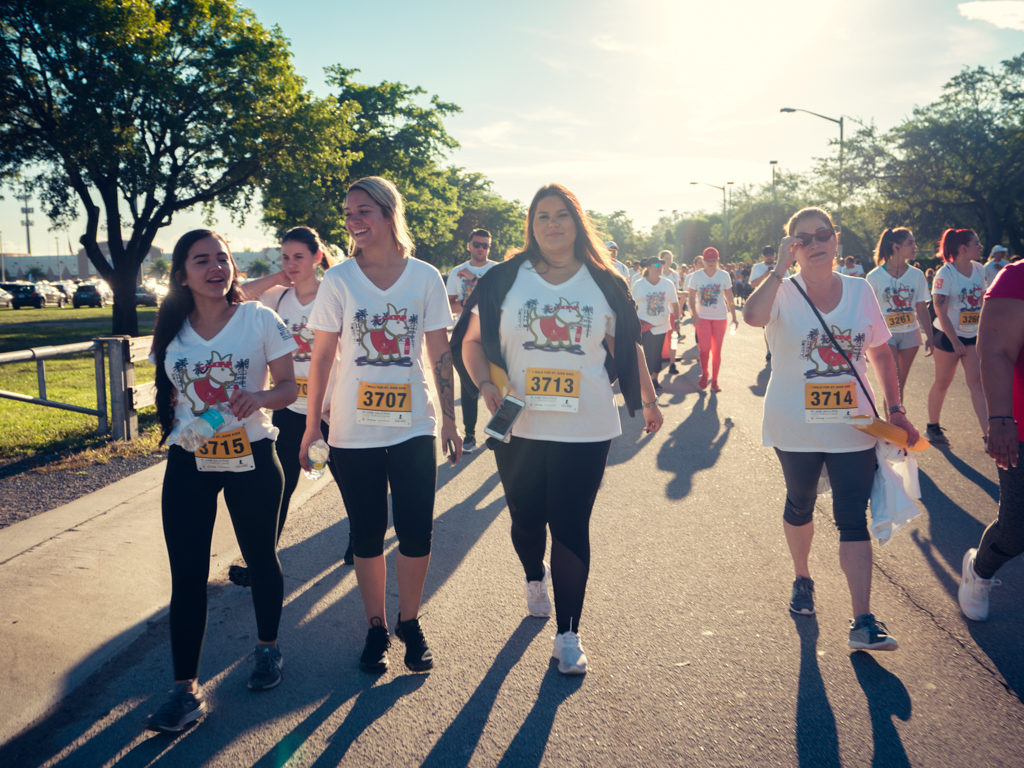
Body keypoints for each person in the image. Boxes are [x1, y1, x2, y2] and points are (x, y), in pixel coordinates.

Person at [454, 183, 662, 675]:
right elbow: (473, 340)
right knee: (527, 520)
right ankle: (533, 575)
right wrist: (484, 383)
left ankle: (568, 633)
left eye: (561, 215)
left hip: (586, 425)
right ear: (531, 223)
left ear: (577, 221)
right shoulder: (504, 279)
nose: (552, 224)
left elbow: (627, 346)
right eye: (542, 215)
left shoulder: (605, 282)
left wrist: (649, 400)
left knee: (571, 525)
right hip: (518, 425)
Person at [299, 176, 460, 674]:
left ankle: (408, 623)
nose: (353, 221)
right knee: (366, 534)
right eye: (348, 213)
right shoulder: (339, 279)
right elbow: (322, 356)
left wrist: (451, 420)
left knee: (416, 532)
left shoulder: (426, 277)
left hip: (414, 424)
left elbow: (440, 354)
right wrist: (311, 427)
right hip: (352, 429)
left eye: (363, 211)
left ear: (390, 213)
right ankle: (375, 626)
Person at [743, 206, 920, 652]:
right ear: (792, 247)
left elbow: (879, 352)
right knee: (800, 504)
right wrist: (779, 268)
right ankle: (802, 577)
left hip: (854, 424)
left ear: (835, 240)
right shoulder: (780, 290)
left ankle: (863, 620)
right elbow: (752, 317)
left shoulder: (861, 291)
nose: (816, 243)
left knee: (851, 516)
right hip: (794, 426)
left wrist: (894, 406)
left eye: (823, 234)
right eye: (803, 239)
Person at [146, 229, 298, 732]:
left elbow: (288, 387)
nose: (216, 268)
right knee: (186, 574)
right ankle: (184, 690)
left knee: (260, 557)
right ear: (182, 274)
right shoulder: (173, 328)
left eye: (223, 258)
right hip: (190, 459)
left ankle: (268, 649)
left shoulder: (259, 318)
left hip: (251, 454)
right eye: (201, 261)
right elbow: (171, 394)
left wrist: (258, 398)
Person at [227, 227, 353, 587]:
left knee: (347, 478)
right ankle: (260, 561)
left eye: (299, 256)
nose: (291, 263)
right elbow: (235, 297)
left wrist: (334, 399)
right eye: (285, 257)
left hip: (332, 406)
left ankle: (359, 538)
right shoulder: (278, 299)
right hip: (291, 405)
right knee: (279, 485)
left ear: (317, 256)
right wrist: (276, 278)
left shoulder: (334, 293)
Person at [959, 260, 1024, 621]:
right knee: (1017, 530)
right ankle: (979, 570)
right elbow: (996, 351)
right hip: (1021, 426)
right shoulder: (1016, 278)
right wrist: (999, 418)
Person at [926, 228, 988, 446]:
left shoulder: (980, 269)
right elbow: (939, 309)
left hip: (972, 335)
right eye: (976, 243)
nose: (980, 247)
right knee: (943, 381)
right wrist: (954, 341)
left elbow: (983, 302)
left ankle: (988, 436)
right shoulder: (946, 274)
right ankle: (933, 426)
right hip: (946, 335)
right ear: (963, 248)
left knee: (977, 384)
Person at [865, 228, 933, 405]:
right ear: (896, 247)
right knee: (892, 383)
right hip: (885, 335)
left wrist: (930, 337)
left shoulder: (917, 275)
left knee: (900, 384)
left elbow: (921, 307)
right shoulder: (874, 276)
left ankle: (897, 422)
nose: (915, 247)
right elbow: (867, 310)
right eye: (910, 243)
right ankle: (894, 425)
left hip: (911, 333)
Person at [446, 229, 499, 453]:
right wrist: (469, 300)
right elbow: (451, 305)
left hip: (494, 337)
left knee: (499, 385)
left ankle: (501, 431)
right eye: (477, 244)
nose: (480, 249)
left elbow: (495, 303)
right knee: (469, 387)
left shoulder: (497, 271)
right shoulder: (457, 272)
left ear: (490, 248)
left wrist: (474, 280)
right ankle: (469, 435)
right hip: (464, 337)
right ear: (469, 245)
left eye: (485, 245)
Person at [687, 247, 738, 391]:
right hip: (702, 317)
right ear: (703, 260)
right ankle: (705, 374)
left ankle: (715, 380)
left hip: (720, 317)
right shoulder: (696, 276)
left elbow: (729, 297)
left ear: (717, 260)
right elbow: (691, 298)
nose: (711, 263)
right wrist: (693, 314)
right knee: (704, 349)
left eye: (713, 260)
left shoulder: (724, 275)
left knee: (717, 351)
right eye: (708, 260)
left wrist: (734, 316)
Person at [632, 257, 680, 392]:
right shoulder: (639, 285)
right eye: (657, 265)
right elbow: (632, 305)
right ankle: (643, 382)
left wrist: (677, 320)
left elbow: (675, 303)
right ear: (648, 267)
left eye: (661, 265)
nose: (660, 267)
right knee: (645, 354)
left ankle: (654, 379)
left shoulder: (667, 284)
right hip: (644, 325)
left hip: (661, 325)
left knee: (656, 354)